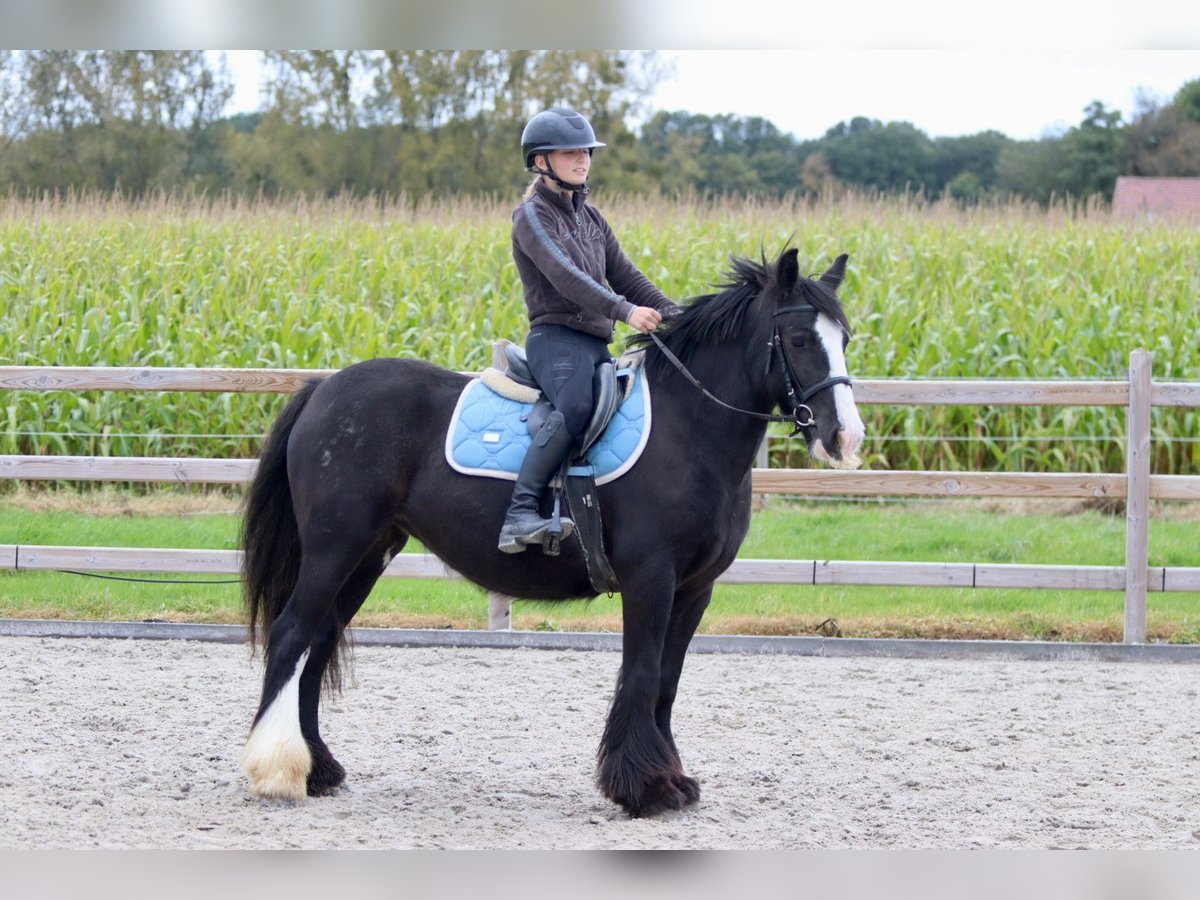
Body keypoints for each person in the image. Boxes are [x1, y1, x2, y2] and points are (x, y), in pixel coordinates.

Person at [498, 107, 680, 553]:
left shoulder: (592, 219)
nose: (583, 159)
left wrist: (680, 316)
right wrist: (625, 312)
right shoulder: (532, 215)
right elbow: (566, 278)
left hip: (595, 344)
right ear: (541, 161)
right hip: (556, 341)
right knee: (576, 406)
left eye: (586, 152)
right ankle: (519, 513)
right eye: (570, 152)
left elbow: (628, 275)